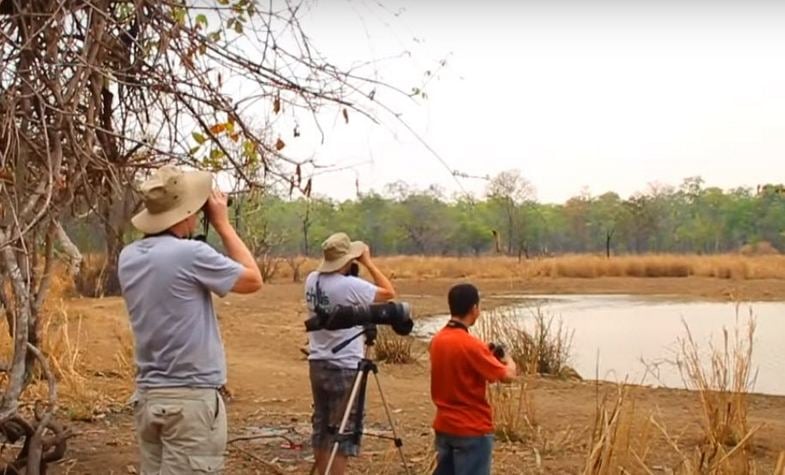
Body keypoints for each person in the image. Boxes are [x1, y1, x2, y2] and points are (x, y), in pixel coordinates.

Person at [118, 165, 263, 474]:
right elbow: (253, 280)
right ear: (185, 213)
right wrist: (223, 224)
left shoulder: (128, 256)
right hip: (190, 401)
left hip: (149, 396)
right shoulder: (191, 254)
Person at [304, 232, 396, 475]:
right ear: (348, 260)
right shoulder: (348, 285)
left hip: (318, 361)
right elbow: (388, 293)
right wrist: (368, 262)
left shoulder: (312, 279)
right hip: (344, 365)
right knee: (342, 432)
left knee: (322, 427)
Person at [429, 283, 517, 475]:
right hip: (471, 429)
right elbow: (507, 376)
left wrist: (485, 352)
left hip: (444, 426)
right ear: (474, 309)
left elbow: (461, 364)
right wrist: (507, 358)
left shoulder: (437, 340)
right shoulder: (472, 346)